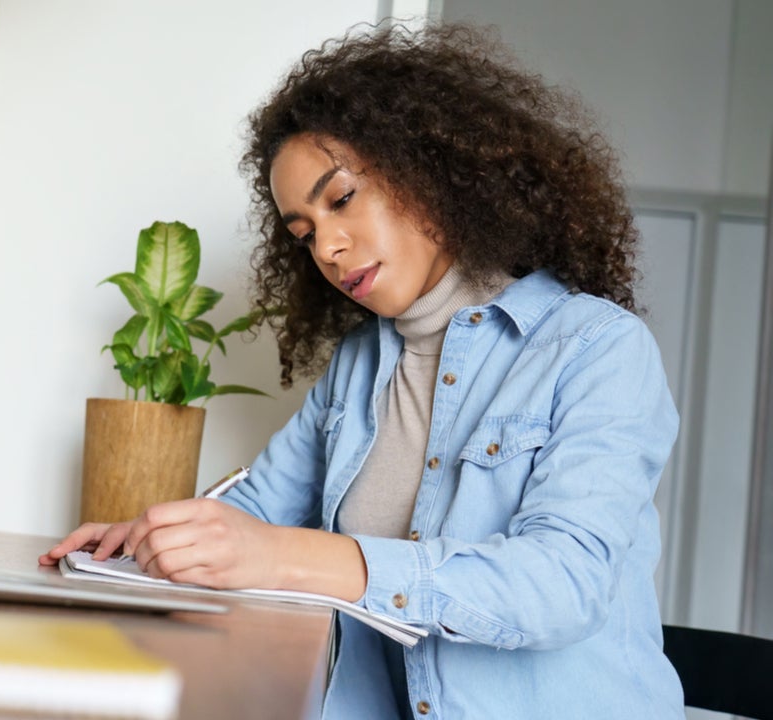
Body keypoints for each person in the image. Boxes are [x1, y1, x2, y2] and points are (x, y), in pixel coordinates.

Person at [40, 21, 684, 719]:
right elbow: (257, 508)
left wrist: (287, 557)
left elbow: (561, 585)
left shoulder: (597, 349)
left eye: (341, 199)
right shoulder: (361, 363)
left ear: (429, 168)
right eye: (305, 233)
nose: (329, 247)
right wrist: (149, 539)